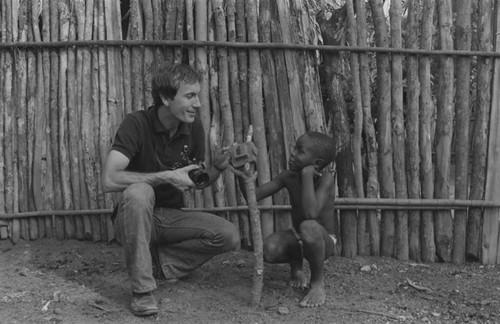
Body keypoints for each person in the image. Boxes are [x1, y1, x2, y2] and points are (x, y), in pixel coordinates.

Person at [102, 63, 240, 316]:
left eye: (197, 95)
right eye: (190, 96)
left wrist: (216, 169)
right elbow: (110, 179)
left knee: (228, 235)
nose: (198, 103)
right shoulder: (136, 124)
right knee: (139, 192)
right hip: (134, 217)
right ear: (166, 98)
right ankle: (142, 292)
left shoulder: (193, 127)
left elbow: (193, 179)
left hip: (171, 217)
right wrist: (166, 176)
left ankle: (163, 264)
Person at [234, 131, 336, 308]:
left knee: (309, 226)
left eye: (300, 151)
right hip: (297, 236)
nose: (292, 153)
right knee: (268, 249)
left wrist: (306, 176)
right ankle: (296, 265)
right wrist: (240, 171)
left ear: (317, 163)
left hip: (323, 240)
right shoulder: (288, 176)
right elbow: (254, 196)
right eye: (294, 147)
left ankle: (317, 283)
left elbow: (311, 214)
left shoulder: (326, 179)